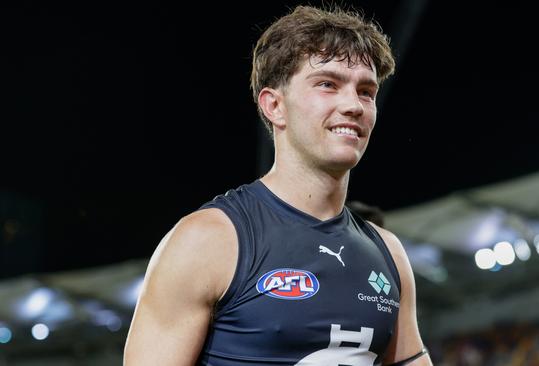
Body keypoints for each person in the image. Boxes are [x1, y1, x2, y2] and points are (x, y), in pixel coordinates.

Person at [124, 4, 432, 365]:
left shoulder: (388, 254)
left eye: (366, 91)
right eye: (327, 85)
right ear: (275, 106)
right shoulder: (209, 240)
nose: (354, 105)